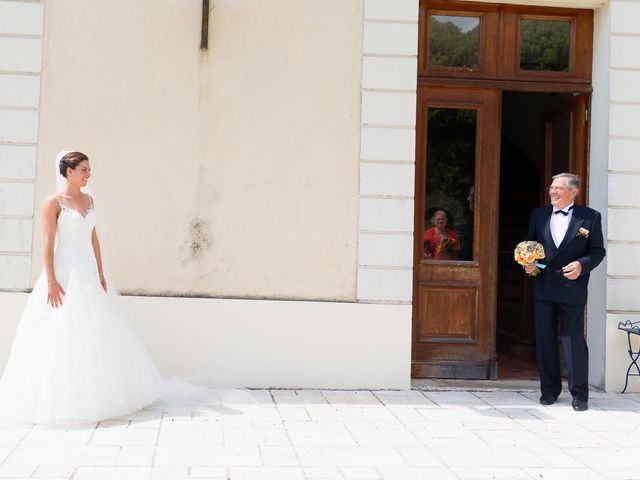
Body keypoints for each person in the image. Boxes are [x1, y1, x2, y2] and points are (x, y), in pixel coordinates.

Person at [0, 151, 165, 424]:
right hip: (64, 272)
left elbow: (94, 238)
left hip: (87, 271)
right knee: (61, 328)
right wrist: (52, 280)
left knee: (97, 329)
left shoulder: (89, 200)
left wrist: (100, 272)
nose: (89, 174)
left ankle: (103, 395)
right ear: (69, 171)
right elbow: (47, 243)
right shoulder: (53, 203)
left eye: (89, 170)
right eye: (84, 170)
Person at [524, 173, 605, 412]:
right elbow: (531, 247)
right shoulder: (538, 215)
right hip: (545, 286)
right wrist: (529, 264)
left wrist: (582, 265)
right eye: (551, 187)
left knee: (573, 342)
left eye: (558, 188)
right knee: (545, 341)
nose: (552, 192)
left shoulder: (590, 218)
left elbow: (598, 251)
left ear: (573, 192)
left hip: (573, 288)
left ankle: (580, 394)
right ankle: (549, 391)